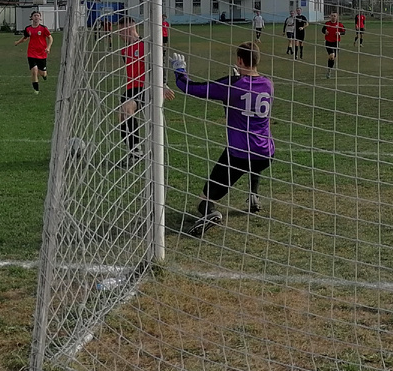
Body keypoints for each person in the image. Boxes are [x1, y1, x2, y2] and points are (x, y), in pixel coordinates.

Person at [171, 42, 275, 236]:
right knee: (254, 154)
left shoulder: (232, 85)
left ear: (239, 60)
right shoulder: (269, 84)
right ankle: (253, 194)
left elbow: (191, 88)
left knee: (204, 199)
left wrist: (180, 71)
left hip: (239, 155)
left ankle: (211, 213)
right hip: (266, 154)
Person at [117, 17, 172, 160]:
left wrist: (163, 85)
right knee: (122, 116)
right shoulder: (124, 50)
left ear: (128, 28)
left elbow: (158, 66)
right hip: (130, 89)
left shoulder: (145, 45)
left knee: (127, 109)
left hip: (144, 88)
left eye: (120, 31)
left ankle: (136, 151)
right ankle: (133, 149)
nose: (119, 35)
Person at [14, 10, 53, 94]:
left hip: (42, 53)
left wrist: (48, 47)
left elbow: (50, 38)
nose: (36, 17)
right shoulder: (28, 28)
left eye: (38, 15)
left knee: (42, 73)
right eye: (34, 15)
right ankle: (36, 90)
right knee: (34, 70)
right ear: (31, 17)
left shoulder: (43, 28)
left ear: (40, 18)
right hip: (31, 53)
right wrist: (18, 42)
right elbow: (25, 37)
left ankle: (44, 75)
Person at [322, 11, 345, 77]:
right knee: (332, 55)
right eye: (332, 16)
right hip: (328, 42)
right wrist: (325, 32)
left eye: (334, 16)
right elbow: (323, 30)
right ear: (330, 16)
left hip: (336, 43)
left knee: (332, 58)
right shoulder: (327, 23)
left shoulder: (339, 24)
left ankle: (329, 69)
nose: (333, 17)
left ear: (337, 17)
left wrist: (339, 33)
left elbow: (344, 31)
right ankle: (329, 71)